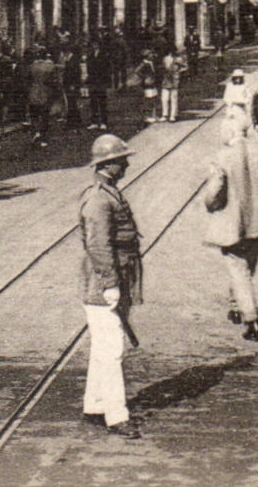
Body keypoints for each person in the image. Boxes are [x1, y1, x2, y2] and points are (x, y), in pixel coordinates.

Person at [203, 108, 258, 342]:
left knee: (238, 270)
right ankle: (236, 306)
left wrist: (211, 205)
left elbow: (213, 192)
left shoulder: (223, 156)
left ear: (230, 131)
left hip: (231, 226)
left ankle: (251, 320)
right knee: (246, 268)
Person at [79, 134, 144, 440]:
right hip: (104, 283)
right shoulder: (98, 200)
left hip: (115, 278)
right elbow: (98, 245)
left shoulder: (109, 193)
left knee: (103, 348)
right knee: (112, 349)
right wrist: (110, 285)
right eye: (122, 160)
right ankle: (117, 415)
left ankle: (95, 406)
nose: (127, 163)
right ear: (109, 165)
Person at [27, 50, 57, 148]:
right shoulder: (50, 66)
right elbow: (53, 79)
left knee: (34, 113)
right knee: (45, 115)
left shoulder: (33, 66)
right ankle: (43, 137)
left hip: (34, 91)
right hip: (45, 91)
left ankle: (36, 131)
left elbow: (28, 78)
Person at [136, 51, 160, 123]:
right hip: (148, 84)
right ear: (146, 56)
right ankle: (147, 116)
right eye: (150, 54)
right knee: (148, 99)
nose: (152, 55)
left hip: (153, 83)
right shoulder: (144, 63)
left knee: (154, 99)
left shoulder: (151, 62)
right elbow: (137, 71)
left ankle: (153, 115)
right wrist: (144, 77)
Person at [160, 51, 183, 123]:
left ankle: (173, 115)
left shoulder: (179, 59)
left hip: (174, 81)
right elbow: (162, 68)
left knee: (173, 98)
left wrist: (178, 73)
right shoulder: (165, 59)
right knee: (165, 99)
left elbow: (184, 67)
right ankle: (165, 114)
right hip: (166, 80)